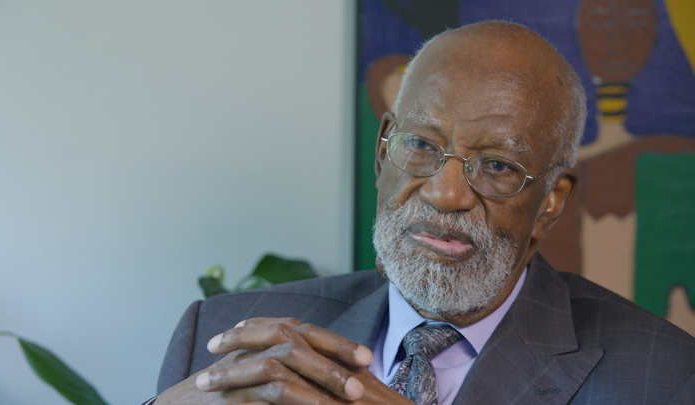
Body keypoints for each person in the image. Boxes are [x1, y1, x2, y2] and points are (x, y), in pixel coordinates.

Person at [145, 21, 695, 405]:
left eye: (498, 165)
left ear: (551, 201)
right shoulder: (217, 338)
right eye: (423, 146)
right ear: (384, 150)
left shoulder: (663, 379)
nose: (445, 193)